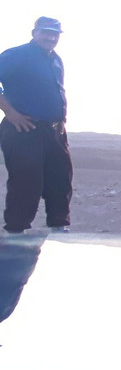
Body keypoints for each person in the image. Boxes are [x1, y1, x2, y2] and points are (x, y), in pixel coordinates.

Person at [0, 17, 72, 235]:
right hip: (24, 128)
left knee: (60, 176)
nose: (50, 38)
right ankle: (15, 232)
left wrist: (61, 117)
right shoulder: (17, 55)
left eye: (55, 34)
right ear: (35, 32)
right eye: (45, 32)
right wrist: (11, 113)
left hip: (53, 129)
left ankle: (58, 226)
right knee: (26, 180)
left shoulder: (56, 59)